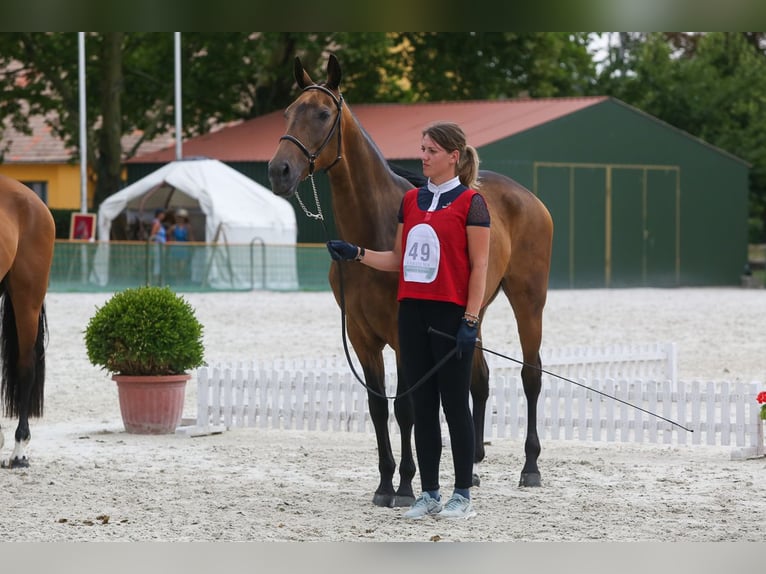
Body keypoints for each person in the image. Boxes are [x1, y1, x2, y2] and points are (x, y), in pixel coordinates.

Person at [326, 121, 490, 520]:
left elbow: (480, 264)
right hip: (411, 311)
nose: (423, 157)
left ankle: (462, 494)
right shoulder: (412, 202)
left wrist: (471, 320)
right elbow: (398, 260)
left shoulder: (472, 204)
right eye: (422, 149)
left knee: (455, 406)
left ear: (453, 156)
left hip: (450, 314)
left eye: (431, 150)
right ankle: (430, 492)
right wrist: (356, 253)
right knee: (423, 405)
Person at [168, 208, 195, 282]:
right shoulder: (173, 227)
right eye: (178, 217)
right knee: (175, 266)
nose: (180, 219)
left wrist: (192, 248)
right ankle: (177, 280)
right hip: (175, 248)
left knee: (182, 266)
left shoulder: (187, 227)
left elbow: (191, 238)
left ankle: (182, 280)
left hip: (184, 249)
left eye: (181, 217)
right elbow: (169, 236)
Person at [149, 208, 167, 282]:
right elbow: (152, 235)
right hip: (158, 246)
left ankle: (158, 279)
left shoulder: (158, 223)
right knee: (157, 263)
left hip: (160, 246)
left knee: (159, 263)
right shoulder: (156, 223)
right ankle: (156, 280)